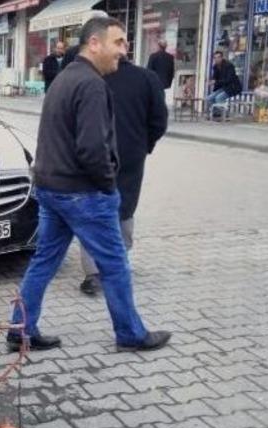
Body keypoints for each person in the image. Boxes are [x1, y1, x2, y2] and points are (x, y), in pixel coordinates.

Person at [7, 17, 171, 353]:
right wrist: (109, 187)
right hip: (82, 194)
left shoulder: (65, 79)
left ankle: (19, 329)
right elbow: (92, 148)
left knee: (45, 261)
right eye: (119, 42)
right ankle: (131, 334)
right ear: (94, 43)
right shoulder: (92, 85)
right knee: (115, 264)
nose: (123, 52)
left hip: (52, 189)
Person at [79, 57, 168, 295]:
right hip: (130, 157)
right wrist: (143, 146)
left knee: (93, 213)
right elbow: (159, 121)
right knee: (124, 208)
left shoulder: (90, 77)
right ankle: (118, 264)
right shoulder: (147, 78)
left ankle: (94, 273)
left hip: (93, 156)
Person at [207, 51, 242, 119]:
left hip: (232, 87)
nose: (217, 59)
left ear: (222, 58)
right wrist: (212, 82)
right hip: (223, 87)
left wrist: (216, 82)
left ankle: (225, 114)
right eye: (215, 58)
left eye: (218, 57)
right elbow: (215, 78)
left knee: (219, 98)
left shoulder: (229, 66)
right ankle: (216, 114)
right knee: (210, 98)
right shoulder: (215, 67)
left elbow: (228, 80)